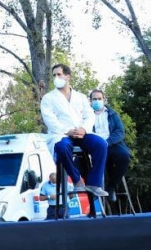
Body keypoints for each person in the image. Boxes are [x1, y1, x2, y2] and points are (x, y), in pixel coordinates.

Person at [39, 63, 109, 197]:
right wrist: (67, 131)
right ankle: (77, 181)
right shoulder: (48, 98)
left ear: (67, 76)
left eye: (59, 74)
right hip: (61, 134)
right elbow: (50, 120)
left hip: (81, 133)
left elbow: (89, 115)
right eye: (54, 75)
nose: (56, 77)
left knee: (101, 144)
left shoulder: (80, 97)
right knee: (62, 147)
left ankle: (94, 183)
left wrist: (84, 129)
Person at [89, 89, 132, 201]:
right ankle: (94, 191)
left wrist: (107, 142)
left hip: (111, 144)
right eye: (94, 99)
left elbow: (120, 132)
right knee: (89, 163)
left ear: (104, 100)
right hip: (95, 147)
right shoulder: (86, 115)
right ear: (90, 101)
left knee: (124, 156)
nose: (97, 101)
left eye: (99, 98)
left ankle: (111, 187)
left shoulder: (112, 114)